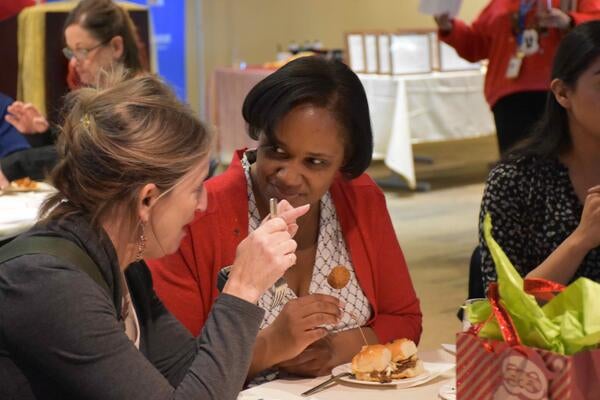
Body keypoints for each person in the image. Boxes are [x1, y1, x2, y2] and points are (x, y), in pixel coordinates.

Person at [0, 72, 309, 399]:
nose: (203, 204)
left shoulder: (124, 263)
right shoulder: (48, 284)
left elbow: (186, 374)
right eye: (194, 188)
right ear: (147, 199)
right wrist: (244, 287)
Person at [148, 56, 423, 380]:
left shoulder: (360, 198)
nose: (290, 176)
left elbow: (404, 319)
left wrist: (337, 349)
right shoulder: (197, 216)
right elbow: (174, 371)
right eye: (277, 151)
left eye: (315, 162)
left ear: (343, 163)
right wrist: (271, 347)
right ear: (259, 133)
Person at [478, 20, 600, 293]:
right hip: (545, 336)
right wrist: (581, 239)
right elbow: (504, 309)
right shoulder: (516, 181)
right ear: (562, 93)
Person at [0, 0, 144, 189]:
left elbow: (93, 159)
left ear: (116, 47)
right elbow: (71, 152)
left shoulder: (141, 100)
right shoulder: (92, 97)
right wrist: (41, 137)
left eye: (83, 51)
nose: (75, 63)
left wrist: (15, 165)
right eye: (71, 52)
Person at [434, 0, 600, 155]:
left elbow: (596, 26)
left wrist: (569, 21)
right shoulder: (499, 4)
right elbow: (475, 46)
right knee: (518, 163)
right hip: (509, 96)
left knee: (565, 159)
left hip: (561, 94)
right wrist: (450, 27)